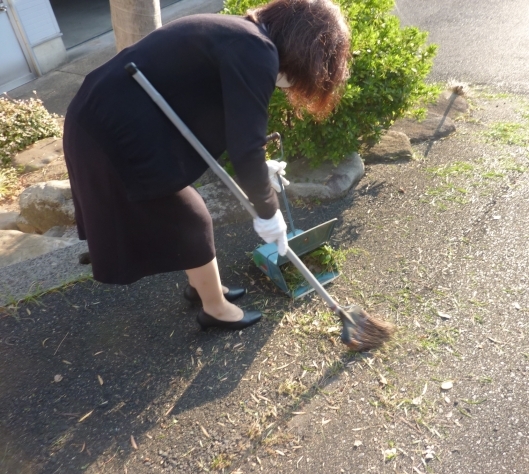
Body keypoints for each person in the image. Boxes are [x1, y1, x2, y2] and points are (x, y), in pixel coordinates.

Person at [63, 0, 350, 331]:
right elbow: (245, 149)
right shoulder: (255, 50)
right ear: (306, 49)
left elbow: (237, 128)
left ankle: (204, 287)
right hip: (106, 134)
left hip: (102, 118)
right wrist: (270, 214)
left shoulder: (243, 37)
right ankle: (215, 308)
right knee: (192, 219)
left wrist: (261, 168)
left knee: (185, 213)